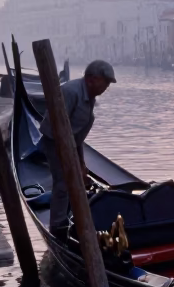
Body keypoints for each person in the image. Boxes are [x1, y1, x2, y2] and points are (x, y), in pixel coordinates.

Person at [38, 59, 116, 238]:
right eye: (105, 82)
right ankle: (58, 226)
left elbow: (77, 136)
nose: (106, 87)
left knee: (79, 178)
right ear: (91, 79)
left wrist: (80, 163)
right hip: (54, 141)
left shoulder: (89, 97)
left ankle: (73, 217)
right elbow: (57, 127)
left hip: (72, 143)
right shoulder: (70, 92)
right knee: (63, 182)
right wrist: (70, 160)